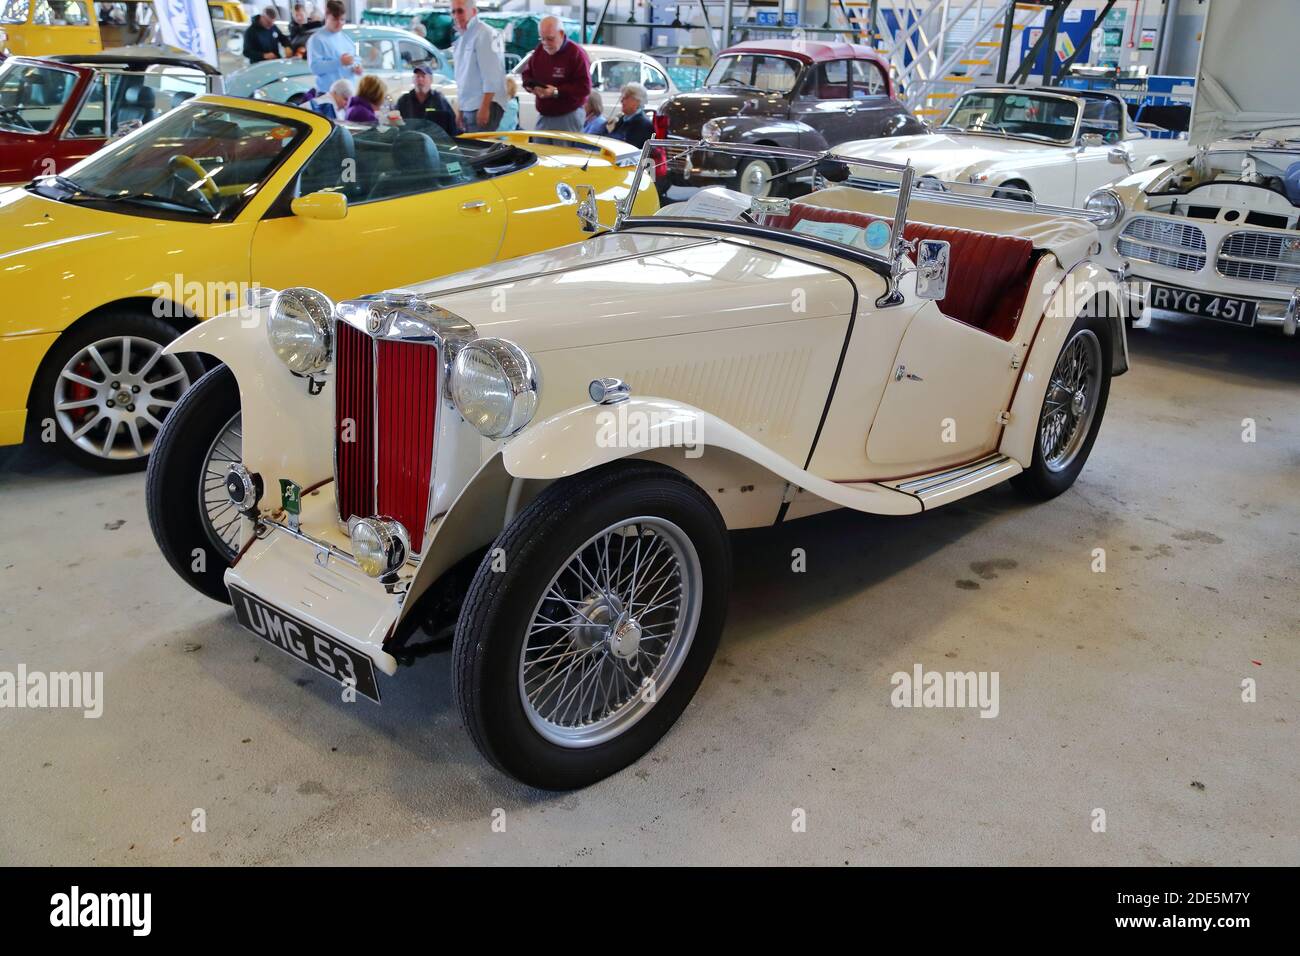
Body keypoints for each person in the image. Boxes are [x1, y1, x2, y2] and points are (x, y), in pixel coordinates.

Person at [519, 15, 590, 133]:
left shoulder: (576, 54)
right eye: (542, 39)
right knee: (540, 150)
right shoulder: (540, 51)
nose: (545, 43)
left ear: (561, 34)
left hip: (568, 115)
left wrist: (556, 92)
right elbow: (527, 74)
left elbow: (584, 88)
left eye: (550, 39)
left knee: (563, 152)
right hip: (544, 114)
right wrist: (532, 87)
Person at [450, 0, 506, 133]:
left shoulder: (486, 33)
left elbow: (492, 75)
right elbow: (464, 78)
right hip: (470, 106)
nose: (456, 15)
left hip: (484, 105)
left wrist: (485, 107)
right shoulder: (463, 37)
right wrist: (461, 109)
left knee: (482, 152)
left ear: (474, 11)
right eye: (453, 11)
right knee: (473, 152)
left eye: (460, 11)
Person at [308, 0, 362, 95]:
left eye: (342, 19)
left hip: (348, 94)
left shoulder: (346, 38)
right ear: (326, 17)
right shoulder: (317, 39)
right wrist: (339, 62)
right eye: (335, 19)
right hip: (328, 94)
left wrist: (357, 67)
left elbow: (355, 59)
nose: (339, 23)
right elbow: (315, 68)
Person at [396, 65, 456, 138]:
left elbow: (451, 122)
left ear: (431, 80)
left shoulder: (439, 99)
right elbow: (395, 122)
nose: (420, 79)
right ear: (413, 80)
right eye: (417, 76)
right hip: (410, 140)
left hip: (434, 140)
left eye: (423, 76)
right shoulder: (404, 100)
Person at [607, 82, 653, 149]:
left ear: (637, 101)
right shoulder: (623, 119)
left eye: (625, 98)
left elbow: (630, 149)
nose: (621, 100)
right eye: (621, 97)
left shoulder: (643, 124)